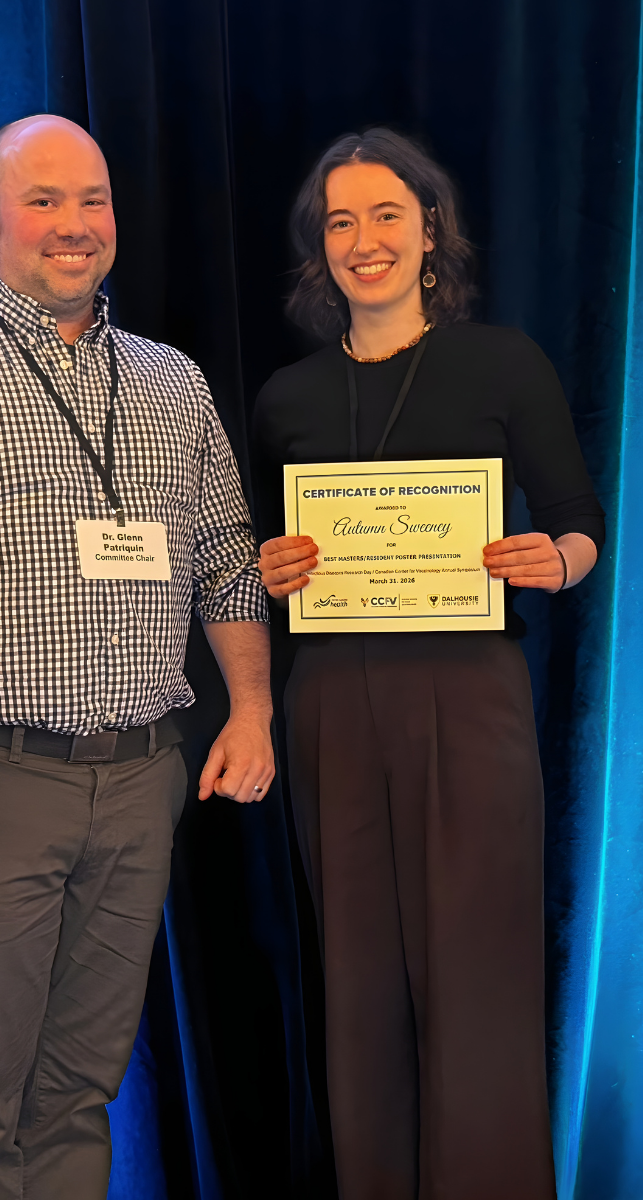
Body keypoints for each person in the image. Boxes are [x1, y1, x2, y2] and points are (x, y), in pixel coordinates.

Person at [0, 114, 274, 1199]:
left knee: (80, 1086)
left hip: (139, 782)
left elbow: (226, 558)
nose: (73, 226)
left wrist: (252, 712)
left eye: (92, 200)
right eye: (43, 201)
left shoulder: (174, 383)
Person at [253, 128, 604, 1200]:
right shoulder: (285, 398)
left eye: (386, 216)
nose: (365, 240)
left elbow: (578, 524)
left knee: (476, 972)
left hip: (470, 696)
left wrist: (554, 560)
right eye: (342, 221)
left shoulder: (503, 363)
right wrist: (271, 565)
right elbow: (268, 559)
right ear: (321, 244)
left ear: (429, 230)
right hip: (332, 707)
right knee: (358, 979)